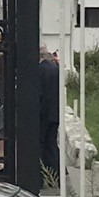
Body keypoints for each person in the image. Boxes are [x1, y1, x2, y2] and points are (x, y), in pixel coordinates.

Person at [38, 47, 61, 179]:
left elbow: (39, 93)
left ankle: (41, 176)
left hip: (43, 113)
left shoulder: (39, 70)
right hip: (55, 112)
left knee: (40, 144)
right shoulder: (55, 69)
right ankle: (56, 175)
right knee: (52, 144)